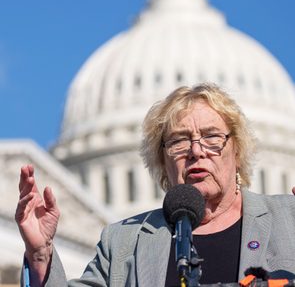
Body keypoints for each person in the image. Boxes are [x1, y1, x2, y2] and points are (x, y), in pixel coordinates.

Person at [16, 83, 295, 287]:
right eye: (179, 141)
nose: (196, 151)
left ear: (237, 150)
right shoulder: (124, 241)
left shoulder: (289, 219)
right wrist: (40, 254)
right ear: (162, 161)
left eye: (211, 138)